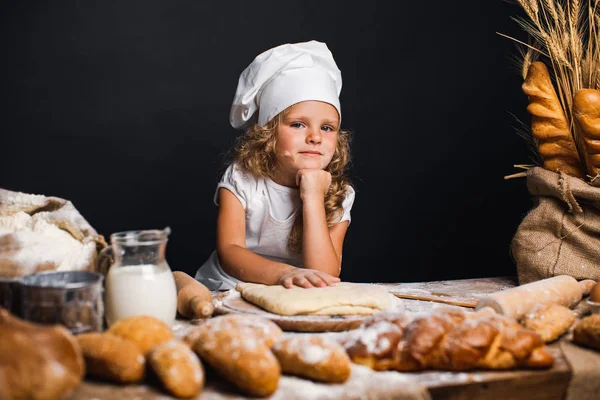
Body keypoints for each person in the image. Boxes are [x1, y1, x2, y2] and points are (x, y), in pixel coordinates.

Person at [195, 40, 355, 291]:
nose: (315, 137)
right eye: (298, 124)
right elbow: (229, 251)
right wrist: (282, 274)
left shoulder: (340, 193)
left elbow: (324, 273)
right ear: (268, 134)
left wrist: (312, 196)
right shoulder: (242, 179)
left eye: (327, 128)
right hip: (233, 285)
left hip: (299, 290)